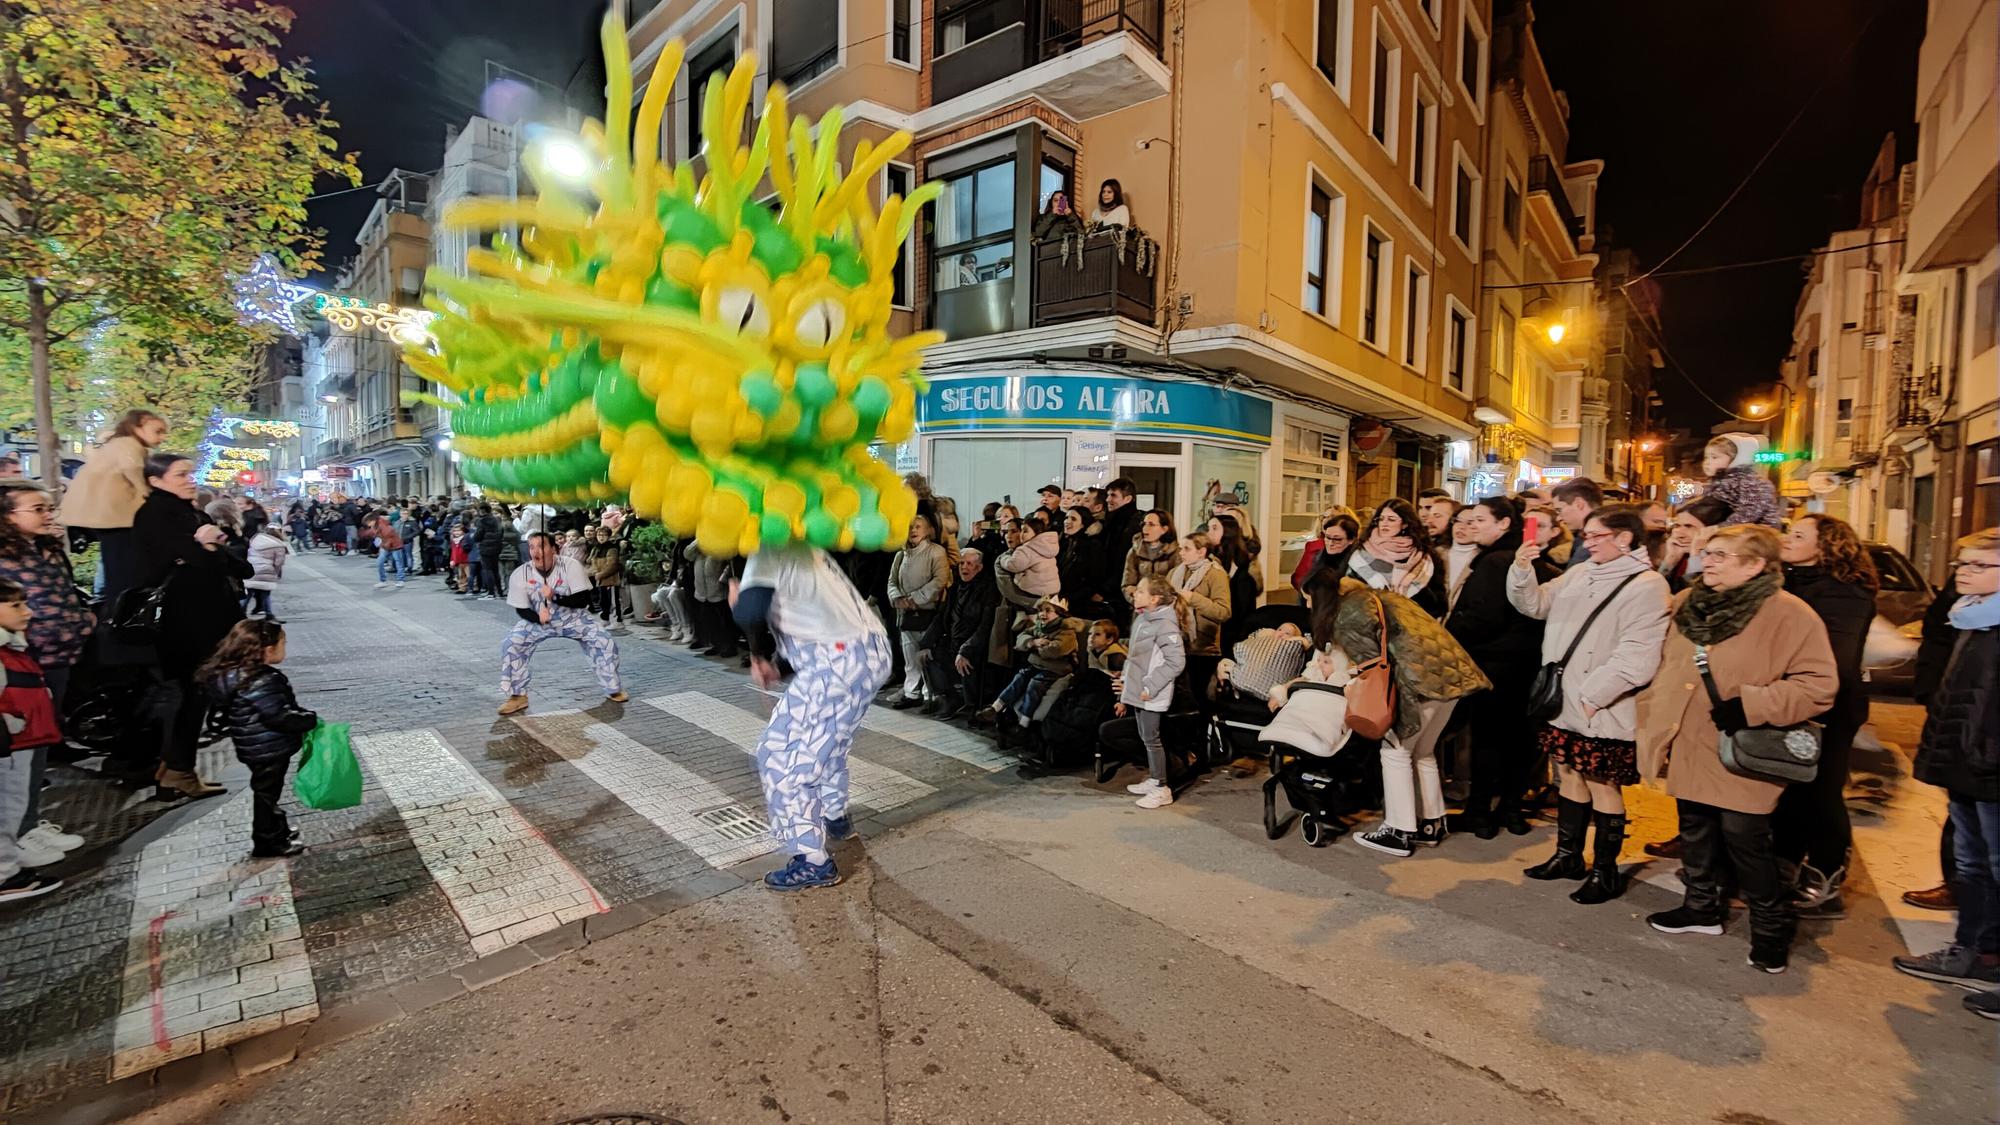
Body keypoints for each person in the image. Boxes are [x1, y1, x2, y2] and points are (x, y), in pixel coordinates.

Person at [1636, 524, 1837, 974]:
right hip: (1687, 735)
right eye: (1709, 553)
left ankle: (1771, 928)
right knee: (1695, 826)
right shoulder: (1690, 602)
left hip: (1739, 745)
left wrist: (1754, 705)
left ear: (1757, 564)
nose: (1709, 561)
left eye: (1723, 555)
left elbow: (1819, 685)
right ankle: (1702, 909)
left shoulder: (1789, 613)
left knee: (1745, 838)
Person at [1508, 505, 1671, 904]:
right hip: (1564, 696)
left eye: (1596, 536)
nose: (1587, 542)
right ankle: (1567, 856)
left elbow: (1638, 655)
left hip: (1602, 702)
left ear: (1625, 538)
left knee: (1603, 783)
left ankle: (1606, 870)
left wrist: (1594, 698)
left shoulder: (1646, 585)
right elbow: (1535, 606)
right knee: (1569, 773)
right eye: (1586, 536)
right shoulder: (1581, 572)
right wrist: (1522, 570)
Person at [732, 544, 894, 891]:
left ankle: (812, 860)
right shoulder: (806, 549)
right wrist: (778, 665)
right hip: (869, 651)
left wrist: (757, 652)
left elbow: (750, 611)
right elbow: (815, 619)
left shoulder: (767, 551)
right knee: (829, 742)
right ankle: (835, 817)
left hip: (835, 663)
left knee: (779, 755)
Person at [1891, 529, 2000, 1004]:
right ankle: (1972, 952)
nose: (1965, 574)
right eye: (1963, 565)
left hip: (1991, 768)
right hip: (1964, 763)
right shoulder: (1971, 619)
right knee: (1972, 867)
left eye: (1980, 566)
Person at [1309, 573, 1489, 857]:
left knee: (1395, 751)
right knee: (1424, 751)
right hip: (1450, 678)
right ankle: (1432, 823)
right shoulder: (1384, 598)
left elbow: (1374, 667)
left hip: (1417, 684)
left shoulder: (1348, 614)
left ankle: (1398, 830)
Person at [1773, 514, 1878, 917]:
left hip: (1828, 707)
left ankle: (1826, 874)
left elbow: (1836, 658)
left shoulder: (1844, 591)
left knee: (1820, 790)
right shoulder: (1788, 580)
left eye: (1799, 535)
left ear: (1826, 546)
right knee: (1788, 786)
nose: (1788, 539)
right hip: (1787, 699)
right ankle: (1783, 862)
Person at [0, 483, 92, 857]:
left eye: (48, 508)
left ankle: (28, 824)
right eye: (37, 509)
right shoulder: (7, 558)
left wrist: (83, 622)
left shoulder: (46, 548)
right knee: (17, 755)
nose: (47, 515)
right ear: (8, 516)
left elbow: (63, 594)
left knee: (37, 749)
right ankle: (16, 838)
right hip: (18, 662)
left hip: (55, 658)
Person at [1445, 497, 1546, 838]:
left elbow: (1480, 617)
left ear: (1504, 524)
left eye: (1480, 520)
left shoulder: (1497, 562)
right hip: (1530, 663)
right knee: (1520, 740)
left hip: (1496, 664)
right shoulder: (1529, 556)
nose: (1472, 526)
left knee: (1489, 740)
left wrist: (1448, 635)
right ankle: (1511, 810)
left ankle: (1479, 814)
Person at [201, 619, 317, 859]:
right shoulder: (262, 679)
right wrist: (308, 719)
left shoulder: (229, 673)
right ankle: (267, 842)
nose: (285, 648)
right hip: (268, 748)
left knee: (266, 791)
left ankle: (277, 829)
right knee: (266, 794)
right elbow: (279, 715)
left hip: (251, 746)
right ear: (267, 649)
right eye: (283, 643)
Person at [496, 532, 628, 716]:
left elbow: (583, 600)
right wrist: (537, 617)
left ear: (554, 549)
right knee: (511, 644)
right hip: (538, 621)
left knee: (603, 641)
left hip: (573, 618)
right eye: (531, 547)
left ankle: (612, 687)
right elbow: (520, 608)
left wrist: (555, 597)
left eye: (541, 546)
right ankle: (517, 696)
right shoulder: (520, 574)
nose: (536, 551)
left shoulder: (571, 565)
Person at [0, 579, 65, 901]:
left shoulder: (13, 645)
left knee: (13, 803)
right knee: (6, 807)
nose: (27, 612)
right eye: (16, 606)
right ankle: (5, 876)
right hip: (8, 744)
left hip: (19, 740)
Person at [60, 409, 168, 591]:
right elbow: (132, 467)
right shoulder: (129, 445)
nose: (162, 437)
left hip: (111, 516)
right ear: (137, 427)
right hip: (118, 516)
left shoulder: (116, 445)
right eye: (158, 431)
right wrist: (146, 493)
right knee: (125, 569)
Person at [1109, 576, 1188, 808]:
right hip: (1138, 691)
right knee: (1145, 737)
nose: (1135, 593)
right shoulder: (1143, 620)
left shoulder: (1165, 625)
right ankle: (1155, 779)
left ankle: (1162, 788)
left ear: (1155, 599)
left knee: (1152, 739)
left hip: (1152, 693)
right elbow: (1135, 657)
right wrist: (1125, 680)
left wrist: (1150, 686)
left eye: (1141, 591)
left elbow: (1175, 662)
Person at [1319, 498, 1445, 617]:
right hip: (1366, 624)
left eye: (1391, 519)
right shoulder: (1361, 553)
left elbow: (1438, 602)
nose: (1384, 524)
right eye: (1381, 519)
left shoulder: (1424, 556)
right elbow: (1342, 588)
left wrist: (1411, 589)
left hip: (1413, 625)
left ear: (1405, 524)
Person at [971, 595, 1077, 727]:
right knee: (1019, 677)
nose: (1043, 614)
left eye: (1048, 610)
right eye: (1041, 610)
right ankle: (995, 707)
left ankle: (1024, 723)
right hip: (1037, 665)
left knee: (1034, 685)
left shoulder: (1066, 631)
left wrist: (1035, 649)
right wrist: (1033, 642)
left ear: (1059, 614)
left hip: (1055, 669)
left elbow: (1057, 650)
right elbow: (1022, 637)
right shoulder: (1039, 627)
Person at [919, 548, 999, 720]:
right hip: (954, 641)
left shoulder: (988, 590)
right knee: (928, 656)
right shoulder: (955, 588)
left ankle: (971, 705)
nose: (964, 567)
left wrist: (965, 650)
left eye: (969, 563)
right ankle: (950, 698)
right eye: (962, 563)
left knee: (965, 660)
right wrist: (925, 643)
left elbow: (985, 627)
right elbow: (942, 617)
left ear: (979, 567)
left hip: (975, 645)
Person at [886, 514, 950, 709]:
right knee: (909, 658)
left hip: (927, 613)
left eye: (918, 527)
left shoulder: (936, 552)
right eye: (910, 527)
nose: (913, 530)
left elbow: (940, 579)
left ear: (927, 530)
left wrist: (915, 599)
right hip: (905, 615)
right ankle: (911, 693)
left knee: (925, 657)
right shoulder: (901, 555)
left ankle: (929, 695)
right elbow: (892, 581)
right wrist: (898, 598)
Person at [1167, 530, 1231, 701]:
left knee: (1199, 698)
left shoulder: (1216, 574)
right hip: (1176, 643)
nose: (1181, 553)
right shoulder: (1175, 573)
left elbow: (1223, 612)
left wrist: (1194, 598)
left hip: (1203, 648)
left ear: (1202, 551)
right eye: (1181, 548)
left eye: (1186, 549)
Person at [1701, 434, 1784, 527]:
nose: (1707, 462)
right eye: (1706, 457)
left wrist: (1721, 527)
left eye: (1714, 457)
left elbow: (1750, 511)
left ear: (1735, 459)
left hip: (1758, 534)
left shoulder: (1752, 481)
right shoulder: (1718, 482)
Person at [1206, 512, 1262, 647]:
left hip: (1235, 635)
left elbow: (1243, 611)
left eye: (1214, 528)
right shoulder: (1210, 559)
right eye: (1208, 528)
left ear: (1227, 531)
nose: (1208, 533)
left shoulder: (1242, 567)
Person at [1658, 497, 1733, 593]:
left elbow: (1693, 597)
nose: (1678, 533)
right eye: (1677, 525)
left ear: (1712, 529)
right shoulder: (1680, 555)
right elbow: (1656, 594)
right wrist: (1671, 559)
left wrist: (1696, 555)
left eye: (1689, 526)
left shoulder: (1725, 562)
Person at [1291, 511, 1358, 594]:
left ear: (1351, 539)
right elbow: (1300, 579)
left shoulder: (1359, 561)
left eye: (1337, 539)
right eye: (1327, 537)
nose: (1330, 543)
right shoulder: (1319, 556)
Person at [1121, 509, 1178, 605]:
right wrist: (1139, 600)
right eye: (1144, 524)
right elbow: (1127, 586)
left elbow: (1176, 587)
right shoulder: (1135, 552)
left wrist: (1155, 601)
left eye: (1151, 524)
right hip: (1140, 608)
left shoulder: (1175, 553)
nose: (1145, 528)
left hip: (1166, 608)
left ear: (1164, 529)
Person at [1550, 477, 1605, 573]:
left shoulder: (1591, 543)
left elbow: (1571, 583)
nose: (1558, 518)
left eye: (1559, 510)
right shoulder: (1596, 536)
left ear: (1579, 504)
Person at [243, 521, 290, 620]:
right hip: (266, 570)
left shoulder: (256, 539)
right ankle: (269, 614)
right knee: (266, 594)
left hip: (251, 568)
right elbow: (278, 563)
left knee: (248, 593)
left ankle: (241, 612)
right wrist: (275, 574)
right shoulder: (279, 545)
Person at [587, 526, 627, 627]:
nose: (601, 537)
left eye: (604, 535)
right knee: (603, 600)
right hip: (601, 579)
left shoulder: (612, 548)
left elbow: (612, 565)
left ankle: (618, 621)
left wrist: (600, 574)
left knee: (614, 600)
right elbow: (591, 562)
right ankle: (605, 619)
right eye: (599, 535)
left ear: (608, 536)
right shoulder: (596, 548)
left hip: (611, 579)